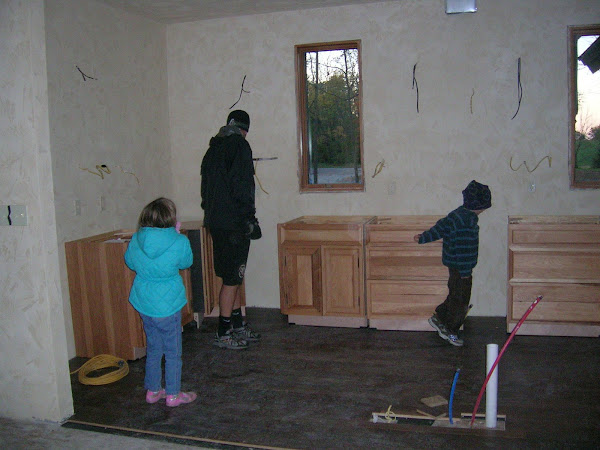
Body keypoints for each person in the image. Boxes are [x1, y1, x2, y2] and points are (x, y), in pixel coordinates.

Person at [124, 197, 197, 407]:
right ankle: (173, 394)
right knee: (173, 352)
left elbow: (130, 262)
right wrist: (177, 236)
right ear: (171, 219)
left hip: (144, 303)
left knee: (154, 348)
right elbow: (186, 263)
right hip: (168, 306)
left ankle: (153, 391)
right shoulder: (179, 241)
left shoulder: (137, 239)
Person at [201, 109, 262, 350]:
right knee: (231, 278)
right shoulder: (240, 146)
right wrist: (250, 219)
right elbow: (243, 186)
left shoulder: (212, 149)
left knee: (233, 276)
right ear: (245, 129)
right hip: (234, 224)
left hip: (215, 222)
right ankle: (223, 332)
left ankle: (237, 325)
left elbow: (205, 191)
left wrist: (213, 214)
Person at [413, 180, 492, 347]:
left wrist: (423, 238)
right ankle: (451, 330)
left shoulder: (456, 214)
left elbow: (440, 228)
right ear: (480, 206)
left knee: (454, 294)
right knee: (461, 300)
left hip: (453, 266)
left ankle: (440, 316)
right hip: (463, 268)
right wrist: (466, 272)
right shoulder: (468, 223)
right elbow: (465, 250)